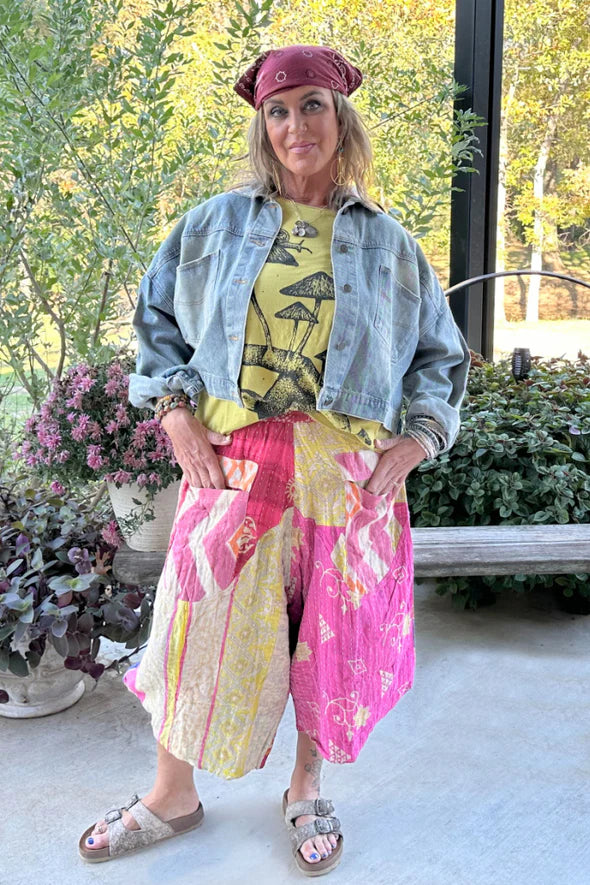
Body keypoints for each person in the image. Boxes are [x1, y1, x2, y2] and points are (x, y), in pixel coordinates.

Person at [78, 44, 470, 876]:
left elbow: (440, 354)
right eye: (279, 111)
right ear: (262, 125)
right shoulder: (213, 225)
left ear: (341, 118)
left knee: (325, 638)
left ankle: (305, 786)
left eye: (313, 106)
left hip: (343, 473)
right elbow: (155, 321)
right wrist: (175, 416)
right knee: (191, 629)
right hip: (236, 464)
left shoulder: (390, 244)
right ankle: (172, 794)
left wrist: (419, 438)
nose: (297, 126)